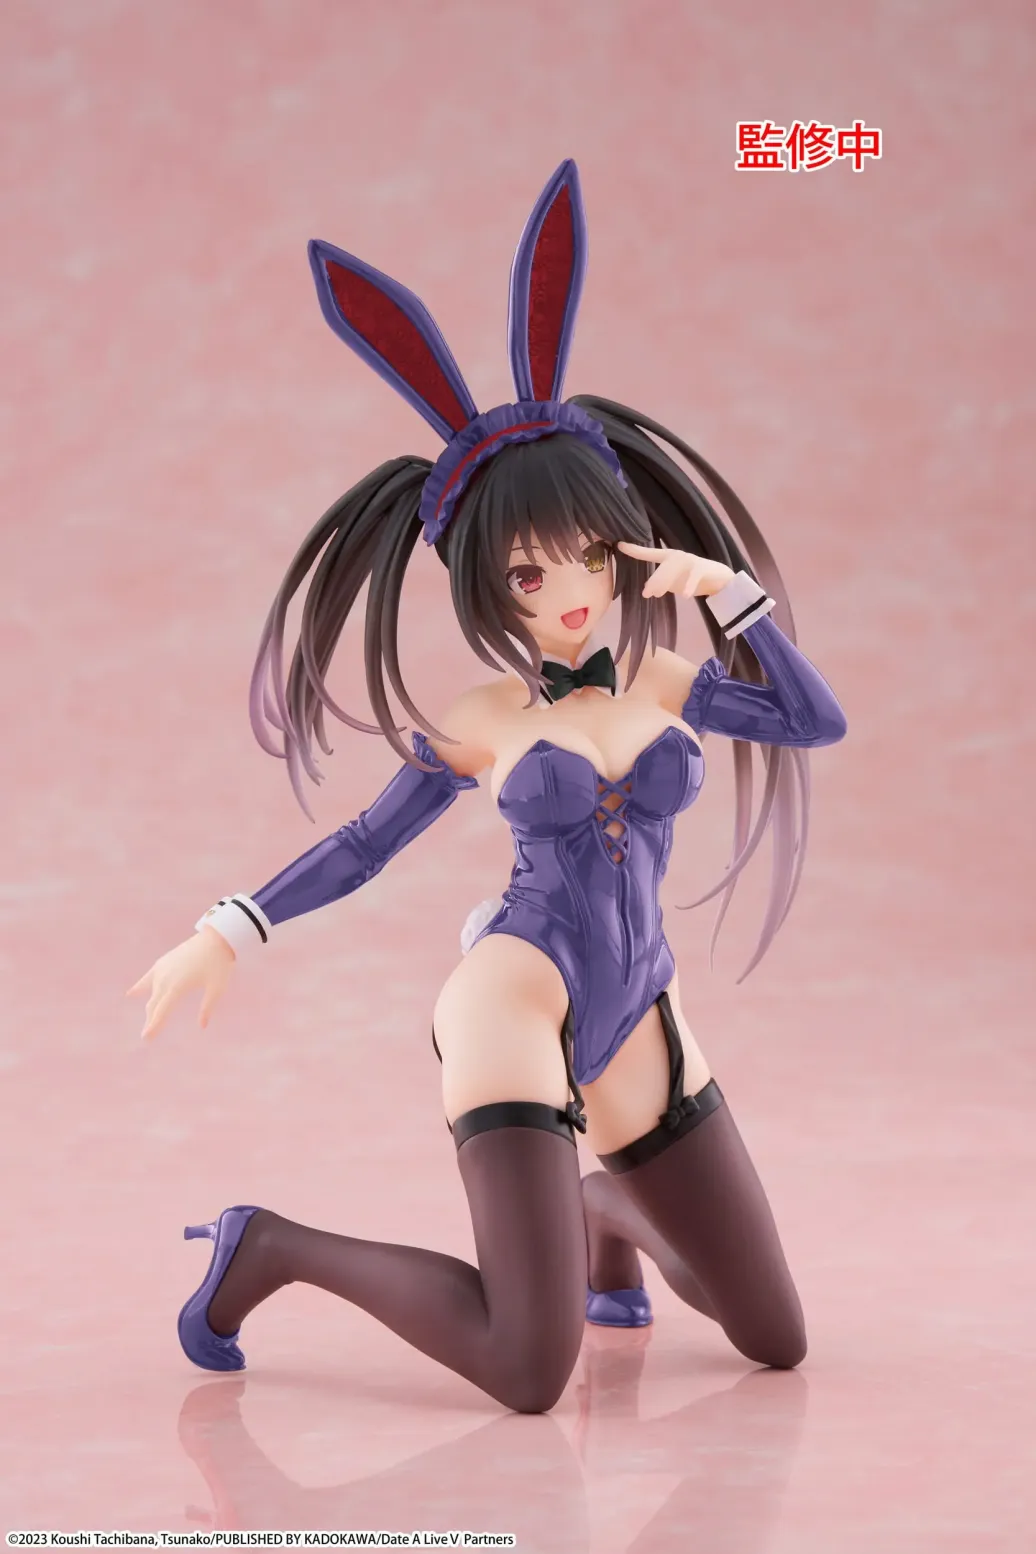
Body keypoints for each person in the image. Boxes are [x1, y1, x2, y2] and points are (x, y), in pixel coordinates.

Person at [128, 161, 846, 1414]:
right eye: (526, 575)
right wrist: (228, 927)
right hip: (515, 1002)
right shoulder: (482, 719)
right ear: (480, 584)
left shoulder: (665, 679)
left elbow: (811, 721)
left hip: (643, 1009)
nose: (568, 593)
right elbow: (367, 842)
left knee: (774, 1337)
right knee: (527, 1366)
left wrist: (735, 602)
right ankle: (268, 1248)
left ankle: (602, 1212)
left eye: (587, 554)